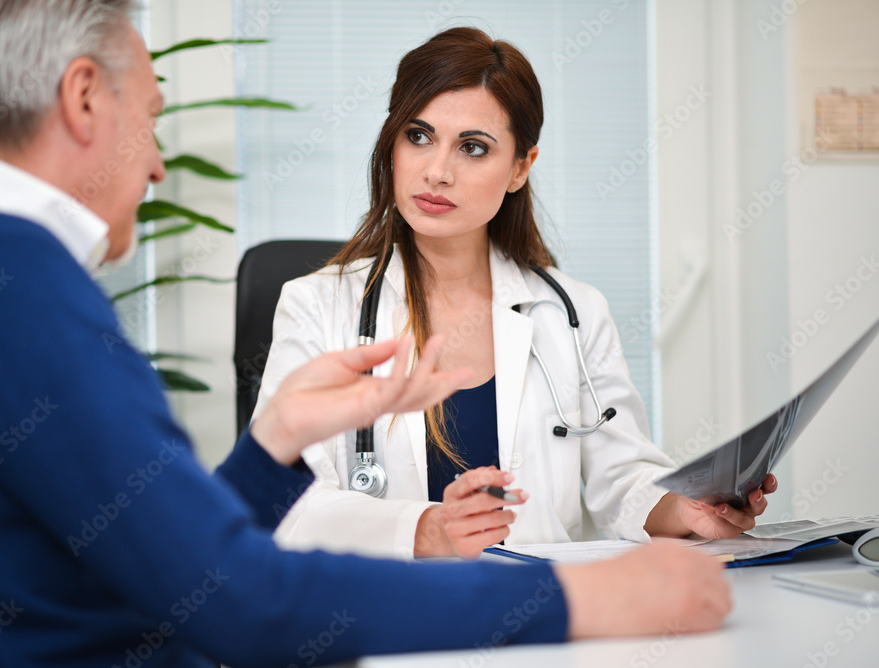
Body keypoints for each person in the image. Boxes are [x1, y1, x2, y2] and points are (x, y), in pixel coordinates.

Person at [0, 2, 732, 666]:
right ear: (83, 98)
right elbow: (235, 598)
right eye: (152, 114)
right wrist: (581, 602)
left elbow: (154, 552)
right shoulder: (4, 278)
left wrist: (273, 446)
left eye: (473, 147)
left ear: (519, 169)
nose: (157, 165)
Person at [253, 26, 777, 560]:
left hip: (537, 615)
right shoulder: (316, 307)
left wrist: (686, 510)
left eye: (473, 148)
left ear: (520, 168)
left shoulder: (573, 313)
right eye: (418, 136)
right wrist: (429, 529)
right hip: (388, 616)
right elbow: (285, 500)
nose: (436, 171)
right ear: (391, 145)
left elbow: (622, 479)